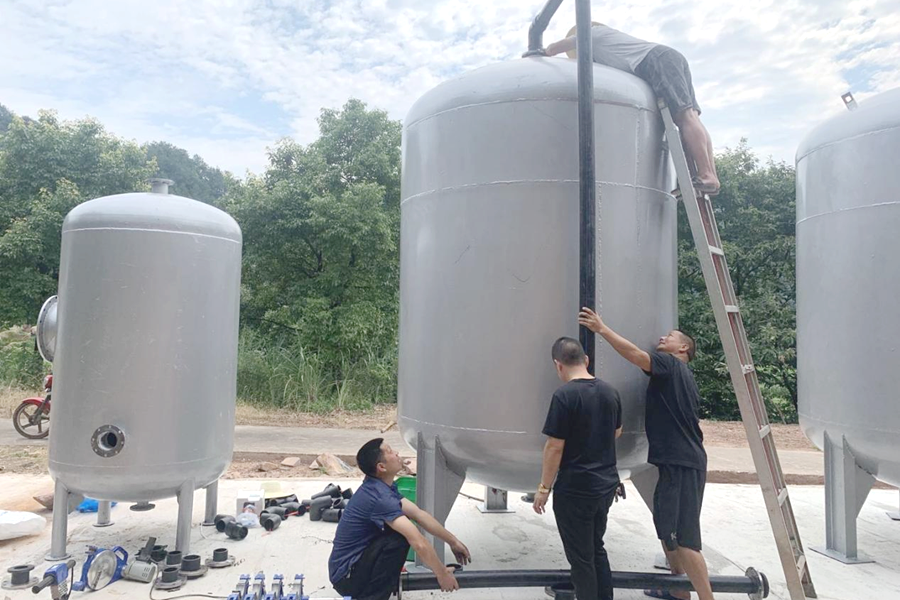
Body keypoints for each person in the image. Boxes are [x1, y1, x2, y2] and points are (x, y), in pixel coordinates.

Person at [578, 308, 713, 600]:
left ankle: (706, 597)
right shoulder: (680, 374)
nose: (663, 337)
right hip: (674, 461)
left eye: (670, 336)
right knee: (666, 528)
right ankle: (679, 590)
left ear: (683, 348)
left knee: (685, 538)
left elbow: (636, 355)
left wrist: (602, 329)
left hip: (682, 461)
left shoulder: (670, 364)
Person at [545, 23, 719, 195]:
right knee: (692, 117)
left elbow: (555, 48)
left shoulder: (593, 33)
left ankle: (706, 174)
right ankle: (710, 175)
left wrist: (542, 52)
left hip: (656, 60)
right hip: (668, 57)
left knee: (684, 117)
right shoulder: (610, 48)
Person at [534, 336, 623, 600]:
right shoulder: (610, 392)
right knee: (596, 549)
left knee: (581, 559)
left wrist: (543, 488)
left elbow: (554, 447)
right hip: (605, 486)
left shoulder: (564, 396)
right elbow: (617, 432)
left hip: (576, 490)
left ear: (558, 365)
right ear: (586, 360)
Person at [328, 438, 472, 600]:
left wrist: (453, 541)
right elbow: (418, 542)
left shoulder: (381, 486)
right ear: (381, 467)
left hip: (352, 569)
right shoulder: (379, 497)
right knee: (399, 538)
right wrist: (442, 574)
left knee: (398, 531)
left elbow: (419, 514)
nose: (396, 453)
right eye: (390, 451)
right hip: (347, 578)